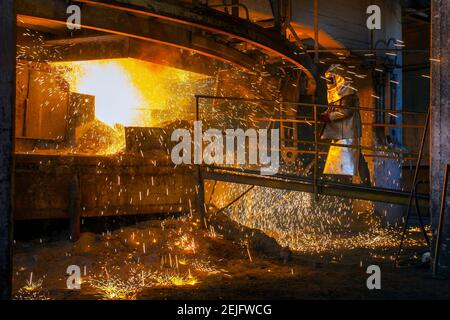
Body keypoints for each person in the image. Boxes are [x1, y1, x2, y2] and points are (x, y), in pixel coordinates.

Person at [320, 64, 371, 185]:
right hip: (342, 131)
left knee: (356, 157)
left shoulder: (347, 95)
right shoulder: (340, 94)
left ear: (338, 78)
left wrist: (328, 116)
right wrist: (326, 114)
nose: (329, 82)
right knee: (345, 158)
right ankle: (343, 184)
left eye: (331, 80)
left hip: (348, 131)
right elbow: (334, 108)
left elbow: (345, 112)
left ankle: (366, 184)